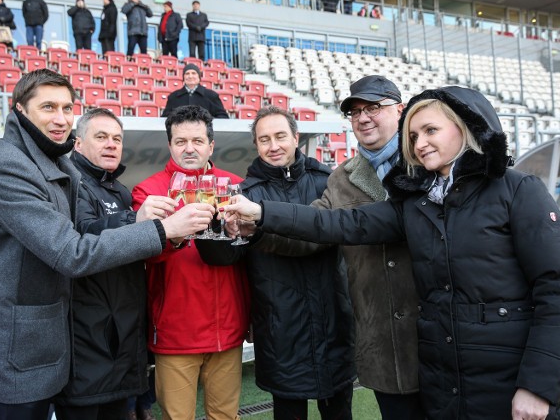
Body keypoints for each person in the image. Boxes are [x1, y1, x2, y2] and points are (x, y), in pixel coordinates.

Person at [224, 86, 560, 420]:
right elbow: (337, 222)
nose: (420, 143)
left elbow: (557, 290)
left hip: (507, 379)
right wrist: (263, 213)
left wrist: (538, 385)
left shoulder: (518, 189)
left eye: (431, 130)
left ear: (464, 126)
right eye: (414, 135)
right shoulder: (417, 202)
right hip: (443, 380)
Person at [0, 69, 214, 420]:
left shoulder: (51, 161)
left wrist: (136, 221)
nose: (61, 118)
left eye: (67, 108)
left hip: (49, 346)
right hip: (15, 350)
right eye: (48, 107)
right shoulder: (7, 167)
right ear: (20, 110)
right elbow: (71, 251)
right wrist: (161, 229)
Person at [265, 76, 422, 419]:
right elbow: (311, 230)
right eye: (355, 112)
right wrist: (256, 226)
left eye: (374, 108)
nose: (363, 118)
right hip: (381, 344)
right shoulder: (341, 178)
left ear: (401, 109)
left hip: (436, 338)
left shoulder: (428, 163)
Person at [198, 106, 356, 420]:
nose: (274, 146)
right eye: (264, 139)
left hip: (333, 320)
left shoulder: (328, 182)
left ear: (296, 137)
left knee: (340, 412)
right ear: (256, 145)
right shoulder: (245, 194)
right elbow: (225, 257)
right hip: (280, 327)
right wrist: (211, 229)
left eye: (280, 136)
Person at [131, 105, 250, 420]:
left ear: (211, 145)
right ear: (169, 145)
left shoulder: (235, 186)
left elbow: (247, 255)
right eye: (180, 141)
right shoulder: (150, 191)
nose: (189, 148)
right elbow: (143, 253)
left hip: (228, 327)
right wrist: (174, 233)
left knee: (225, 416)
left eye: (197, 141)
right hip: (176, 330)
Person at [54, 108, 161, 420]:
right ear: (77, 143)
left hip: (120, 337)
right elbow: (83, 233)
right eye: (101, 137)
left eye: (117, 138)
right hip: (88, 340)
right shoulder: (69, 184)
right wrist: (137, 220)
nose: (111, 144)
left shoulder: (118, 189)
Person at [161, 63, 228, 119]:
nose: (190, 76)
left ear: (199, 77)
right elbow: (165, 118)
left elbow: (222, 117)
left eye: (194, 73)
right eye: (187, 74)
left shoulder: (211, 96)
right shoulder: (173, 97)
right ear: (183, 78)